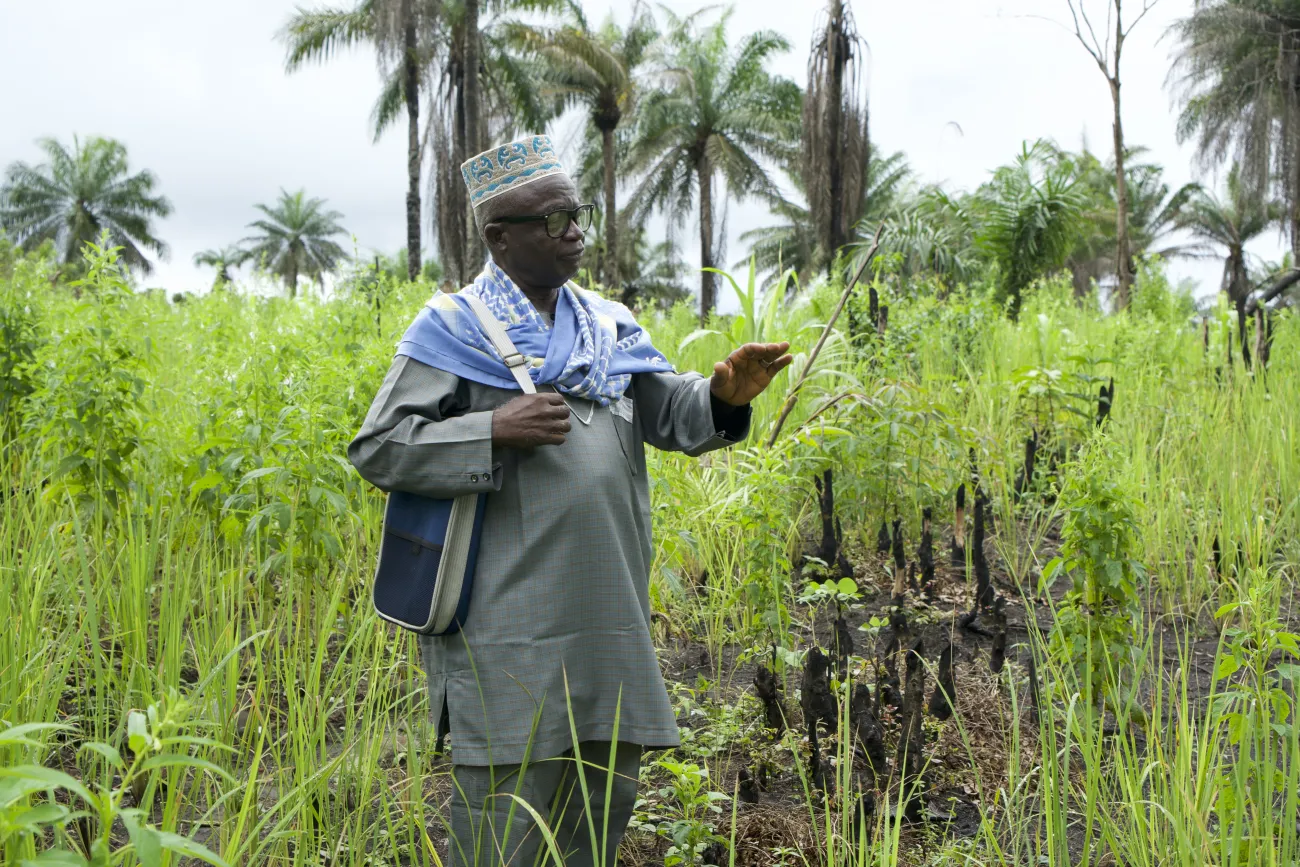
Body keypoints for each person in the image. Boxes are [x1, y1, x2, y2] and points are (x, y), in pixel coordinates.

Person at [348, 134, 792, 866]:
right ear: (500, 237)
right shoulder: (452, 330)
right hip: (505, 631)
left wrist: (717, 396)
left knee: (597, 814)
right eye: (552, 221)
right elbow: (381, 446)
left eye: (577, 215)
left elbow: (668, 413)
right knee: (503, 828)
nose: (574, 232)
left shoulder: (609, 326)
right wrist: (490, 427)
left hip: (606, 622)